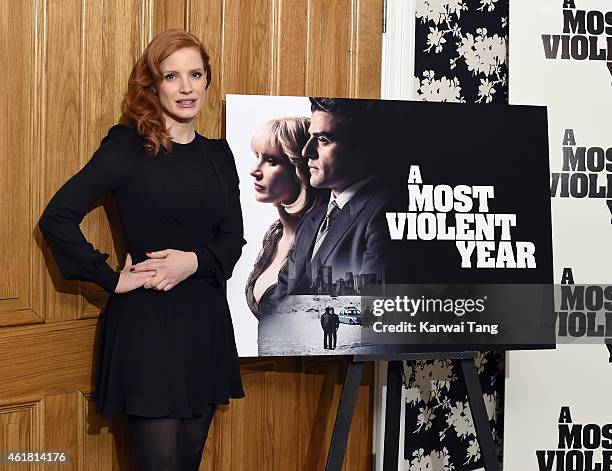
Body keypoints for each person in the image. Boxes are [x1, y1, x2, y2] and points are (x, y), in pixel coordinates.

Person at [38, 29, 245, 471]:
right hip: (149, 327)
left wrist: (193, 262)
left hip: (204, 324)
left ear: (208, 79)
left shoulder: (219, 155)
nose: (186, 87)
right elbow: (57, 217)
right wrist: (111, 277)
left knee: (188, 461)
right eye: (172, 76)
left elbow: (233, 240)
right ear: (153, 85)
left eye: (195, 74)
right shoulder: (128, 147)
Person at [272, 97, 391, 310]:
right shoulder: (311, 220)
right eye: (310, 138)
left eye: (323, 140)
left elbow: (372, 308)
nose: (306, 151)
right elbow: (277, 299)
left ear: (361, 148)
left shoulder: (384, 211)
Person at [245, 118, 327, 320]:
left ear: (300, 170)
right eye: (257, 157)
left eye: (271, 161)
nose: (254, 171)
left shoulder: (324, 241)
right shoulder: (275, 234)